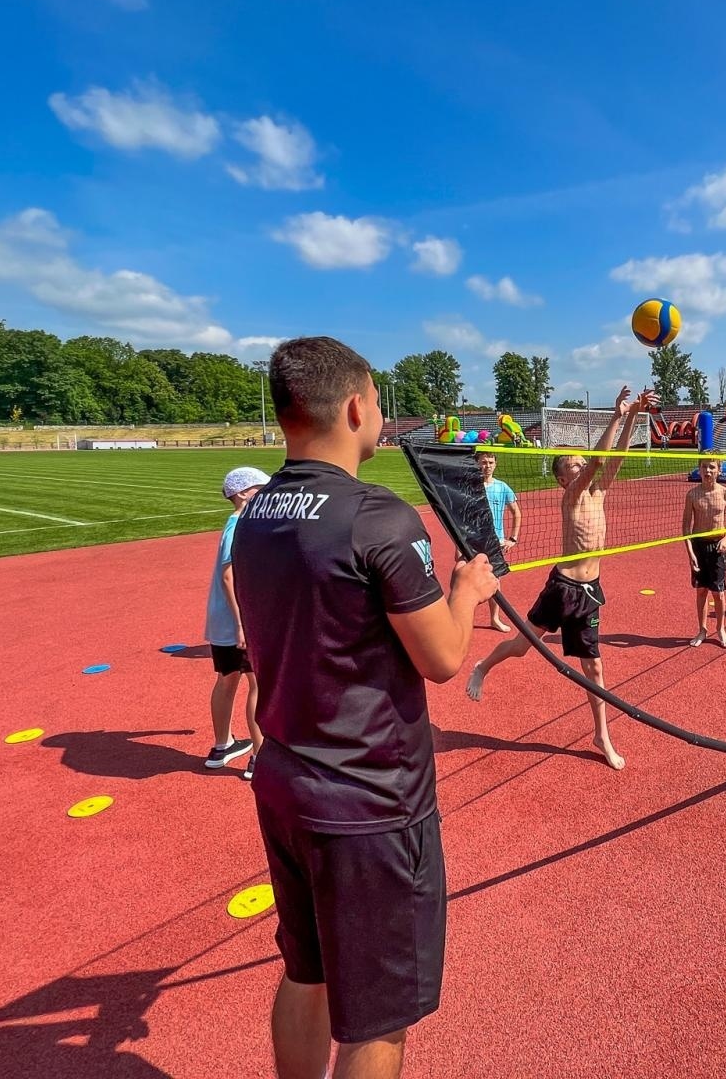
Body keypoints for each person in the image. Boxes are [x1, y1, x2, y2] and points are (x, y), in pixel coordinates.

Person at [230, 336, 498, 1079]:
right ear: (355, 406)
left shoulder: (254, 514)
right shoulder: (377, 515)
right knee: (378, 1022)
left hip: (286, 781)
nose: (380, 414)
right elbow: (443, 658)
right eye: (378, 401)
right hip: (370, 803)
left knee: (306, 974)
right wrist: (467, 591)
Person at [465, 384, 659, 770]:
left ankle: (601, 734)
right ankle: (483, 666)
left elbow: (614, 457)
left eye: (578, 462)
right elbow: (599, 461)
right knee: (522, 647)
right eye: (571, 465)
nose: (578, 466)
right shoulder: (571, 495)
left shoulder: (599, 492)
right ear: (562, 479)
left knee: (595, 667)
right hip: (562, 588)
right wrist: (617, 414)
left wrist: (635, 413)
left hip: (590, 591)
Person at [203, 465, 270, 778]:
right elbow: (230, 576)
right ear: (243, 494)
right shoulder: (241, 525)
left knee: (227, 678)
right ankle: (259, 757)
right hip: (238, 621)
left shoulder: (234, 524)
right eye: (260, 488)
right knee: (257, 683)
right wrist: (243, 623)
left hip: (223, 622)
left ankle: (222, 745)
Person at [683, 457, 726, 647]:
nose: (708, 471)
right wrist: (690, 553)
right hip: (698, 546)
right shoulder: (692, 495)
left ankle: (720, 628)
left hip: (718, 547)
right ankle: (702, 630)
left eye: (712, 467)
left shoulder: (725, 493)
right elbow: (685, 526)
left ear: (719, 470)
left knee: (718, 593)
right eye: (704, 467)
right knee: (701, 591)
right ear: (699, 469)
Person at [477, 451, 521, 631]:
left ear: (495, 465)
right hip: (471, 541)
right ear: (476, 464)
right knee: (463, 578)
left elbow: (516, 513)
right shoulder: (470, 487)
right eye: (483, 462)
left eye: (490, 462)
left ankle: (494, 618)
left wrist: (512, 538)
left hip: (495, 542)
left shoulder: (503, 487)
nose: (487, 466)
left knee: (494, 581)